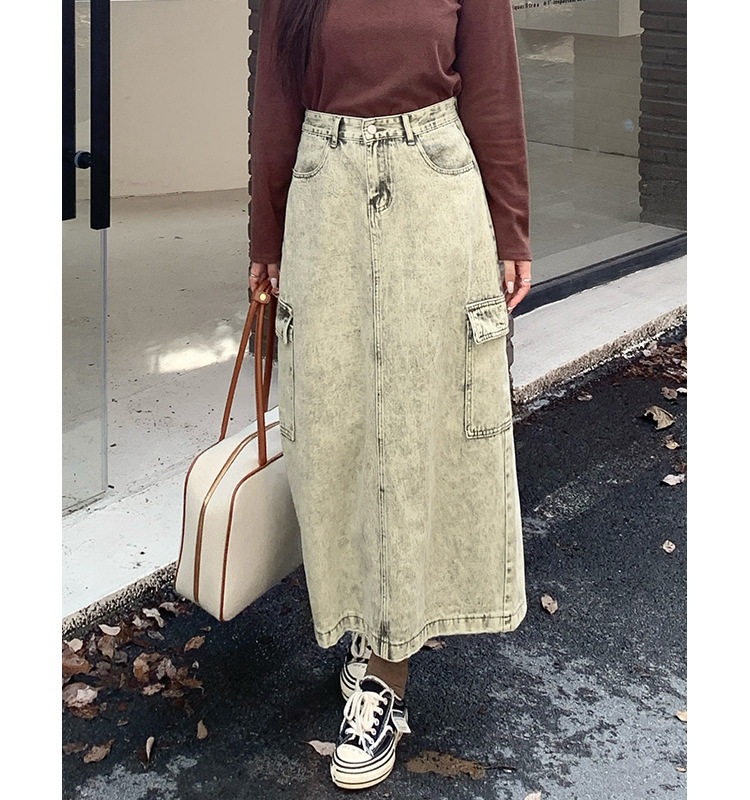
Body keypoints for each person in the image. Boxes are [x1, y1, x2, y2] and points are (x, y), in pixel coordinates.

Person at [248, 0, 532, 790]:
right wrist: (265, 235)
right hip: (323, 192)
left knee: (411, 432)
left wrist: (511, 226)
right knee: (335, 426)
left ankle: (386, 674)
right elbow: (274, 99)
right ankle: (368, 621)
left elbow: (494, 92)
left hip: (434, 187)